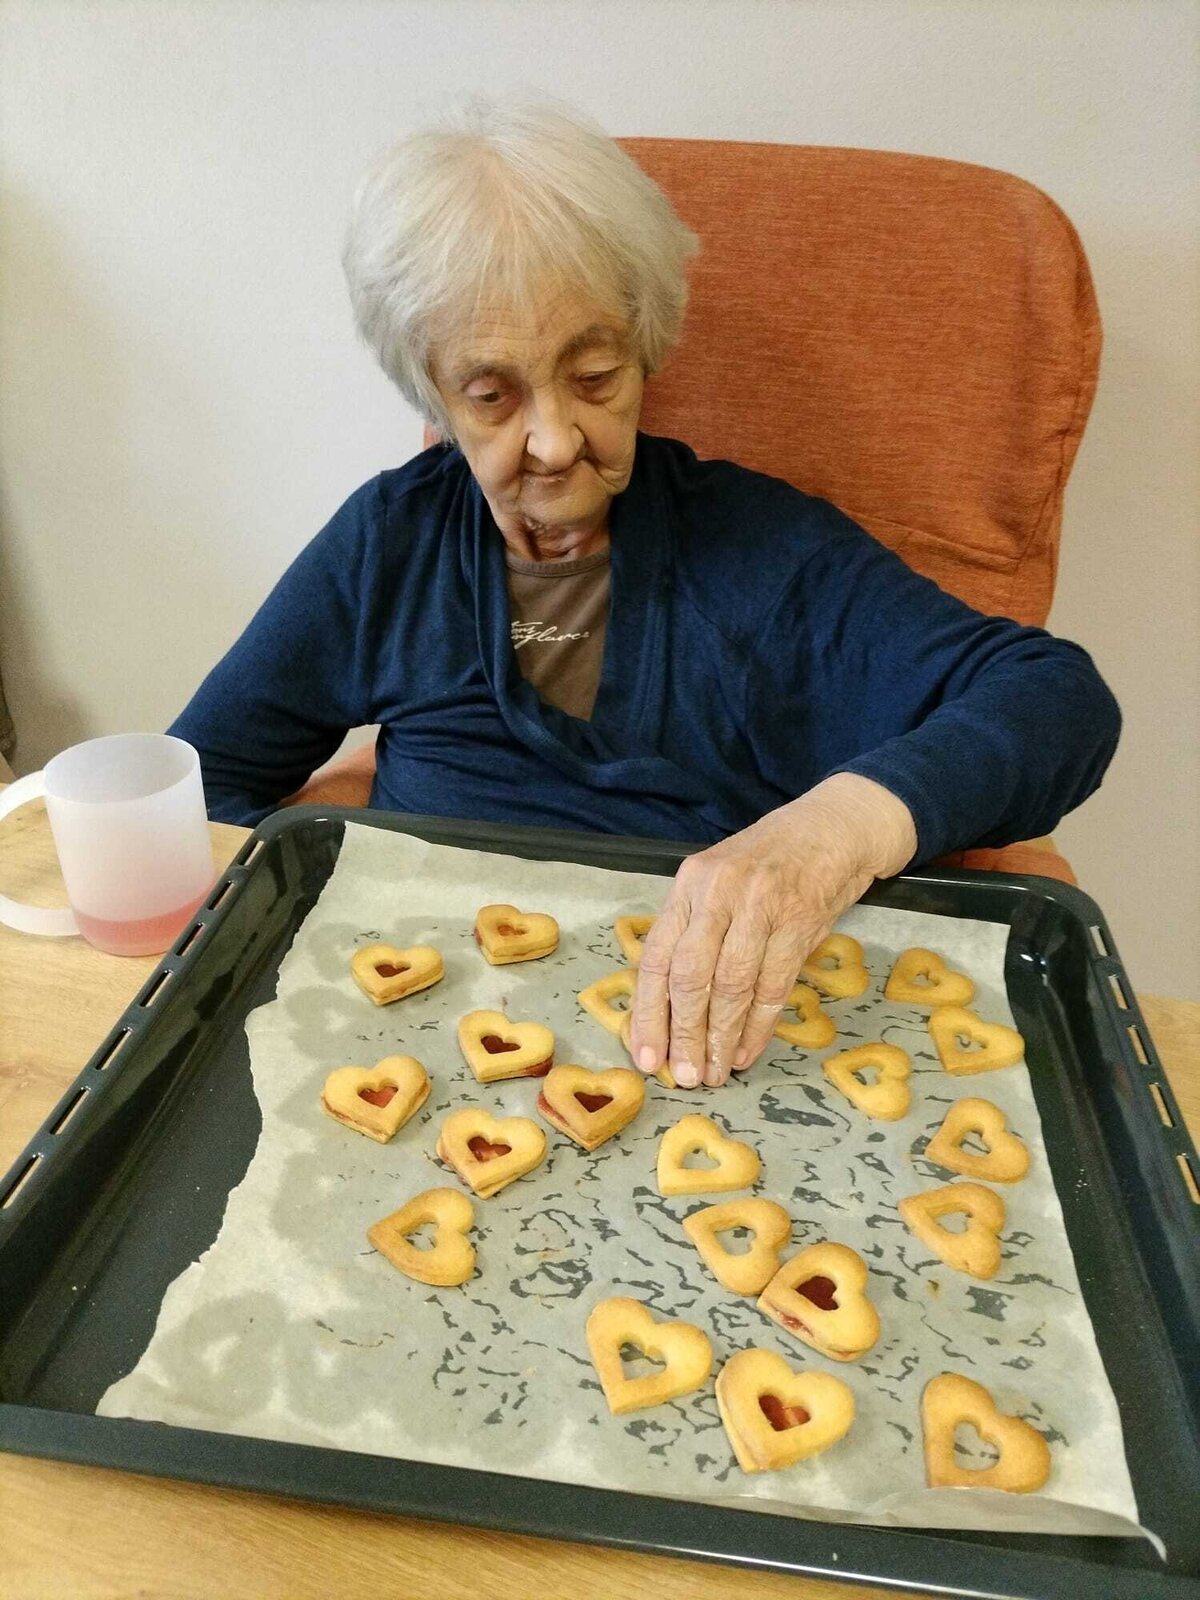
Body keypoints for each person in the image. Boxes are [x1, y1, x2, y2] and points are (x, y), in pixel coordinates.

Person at [170, 97, 1120, 1094]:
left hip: (693, 1072)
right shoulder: (389, 544)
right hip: (406, 1051)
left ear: (646, 346)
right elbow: (200, 791)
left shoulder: (763, 552)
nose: (554, 442)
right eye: (492, 395)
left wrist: (836, 832)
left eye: (593, 375)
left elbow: (1055, 700)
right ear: (435, 394)